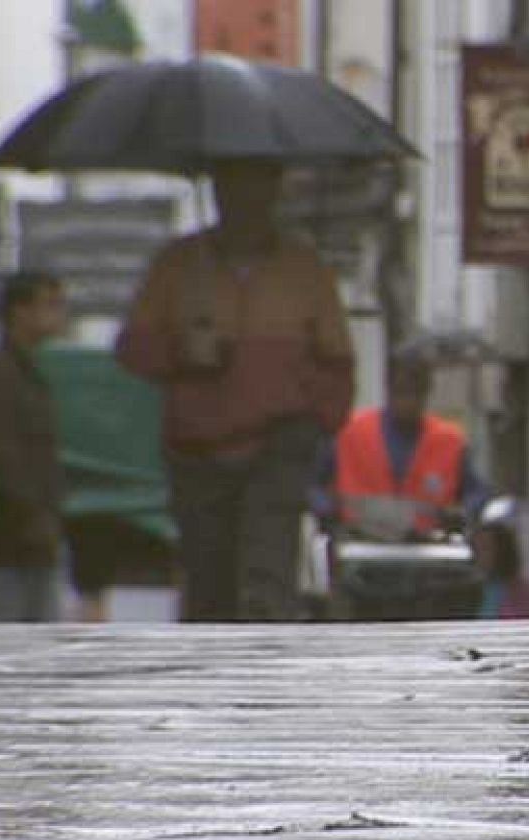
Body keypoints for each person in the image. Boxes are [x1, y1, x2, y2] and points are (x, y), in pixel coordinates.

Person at [115, 159, 356, 621]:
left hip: (279, 444)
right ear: (218, 191)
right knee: (209, 580)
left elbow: (337, 363)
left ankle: (267, 679)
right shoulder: (179, 265)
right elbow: (133, 349)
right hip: (198, 450)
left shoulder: (304, 269)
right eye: (233, 185)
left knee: (268, 577)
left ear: (275, 190)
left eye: (258, 184)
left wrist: (312, 421)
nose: (246, 198)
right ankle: (210, 680)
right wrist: (183, 352)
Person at [0, 271, 69, 622]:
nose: (60, 314)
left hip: (33, 542)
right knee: (6, 650)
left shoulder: (27, 372)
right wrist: (34, 514)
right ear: (20, 311)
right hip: (6, 545)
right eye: (50, 305)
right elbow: (1, 455)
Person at [322, 352, 491, 536]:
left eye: (416, 393)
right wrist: (326, 509)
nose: (408, 402)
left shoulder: (449, 442)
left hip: (427, 546)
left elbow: (477, 492)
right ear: (388, 389)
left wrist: (464, 512)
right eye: (401, 391)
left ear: (427, 393)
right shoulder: (350, 433)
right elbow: (314, 485)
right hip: (359, 543)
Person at [471, 519, 529, 619]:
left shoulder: (524, 591)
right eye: (476, 549)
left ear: (502, 550)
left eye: (485, 548)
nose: (478, 556)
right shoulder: (477, 588)